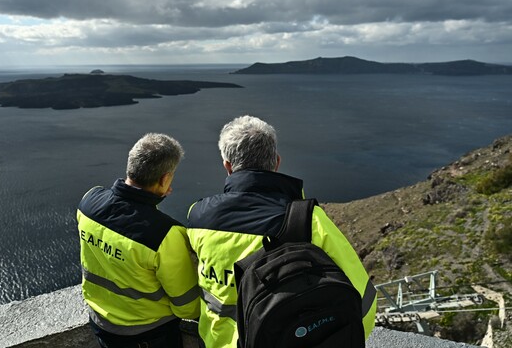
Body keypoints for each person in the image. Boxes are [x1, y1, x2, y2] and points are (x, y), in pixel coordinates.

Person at [187, 115, 376, 347]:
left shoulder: (197, 217)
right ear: (276, 162)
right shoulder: (307, 221)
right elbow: (363, 299)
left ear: (228, 166)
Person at [77, 133, 200, 348]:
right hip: (147, 335)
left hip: (100, 324)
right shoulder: (165, 234)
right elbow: (187, 307)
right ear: (164, 179)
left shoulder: (89, 202)